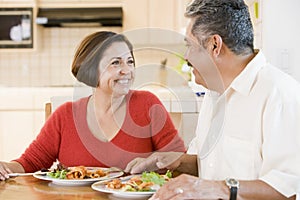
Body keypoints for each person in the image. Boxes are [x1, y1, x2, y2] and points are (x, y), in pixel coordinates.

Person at [125, 0, 300, 199]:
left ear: (215, 45)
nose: (186, 56)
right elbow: (207, 166)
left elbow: (290, 190)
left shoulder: (280, 94)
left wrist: (221, 189)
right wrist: (174, 161)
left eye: (189, 46)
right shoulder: (214, 93)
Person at [0, 31, 186, 181]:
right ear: (91, 70)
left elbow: (178, 159)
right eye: (116, 63)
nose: (127, 71)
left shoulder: (148, 104)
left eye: (130, 62)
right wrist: (5, 168)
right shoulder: (65, 115)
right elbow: (30, 162)